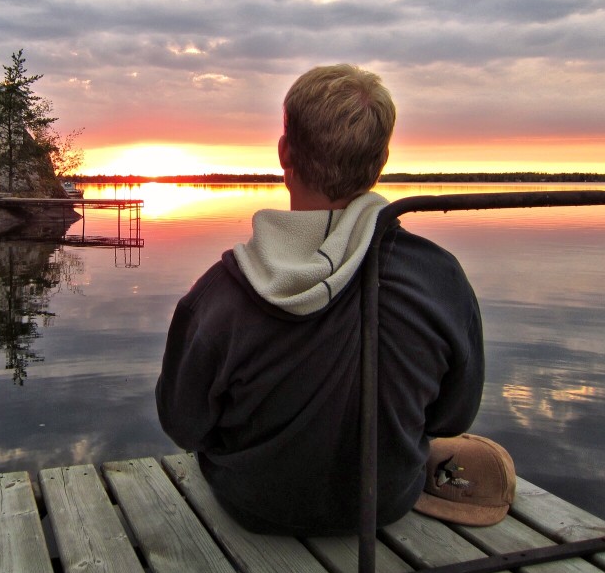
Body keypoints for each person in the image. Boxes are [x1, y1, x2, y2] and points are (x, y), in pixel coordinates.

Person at [155, 64, 485, 536]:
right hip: (384, 504)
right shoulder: (440, 277)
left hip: (252, 506)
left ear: (284, 151)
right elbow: (454, 416)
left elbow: (184, 425)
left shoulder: (222, 293)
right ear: (382, 158)